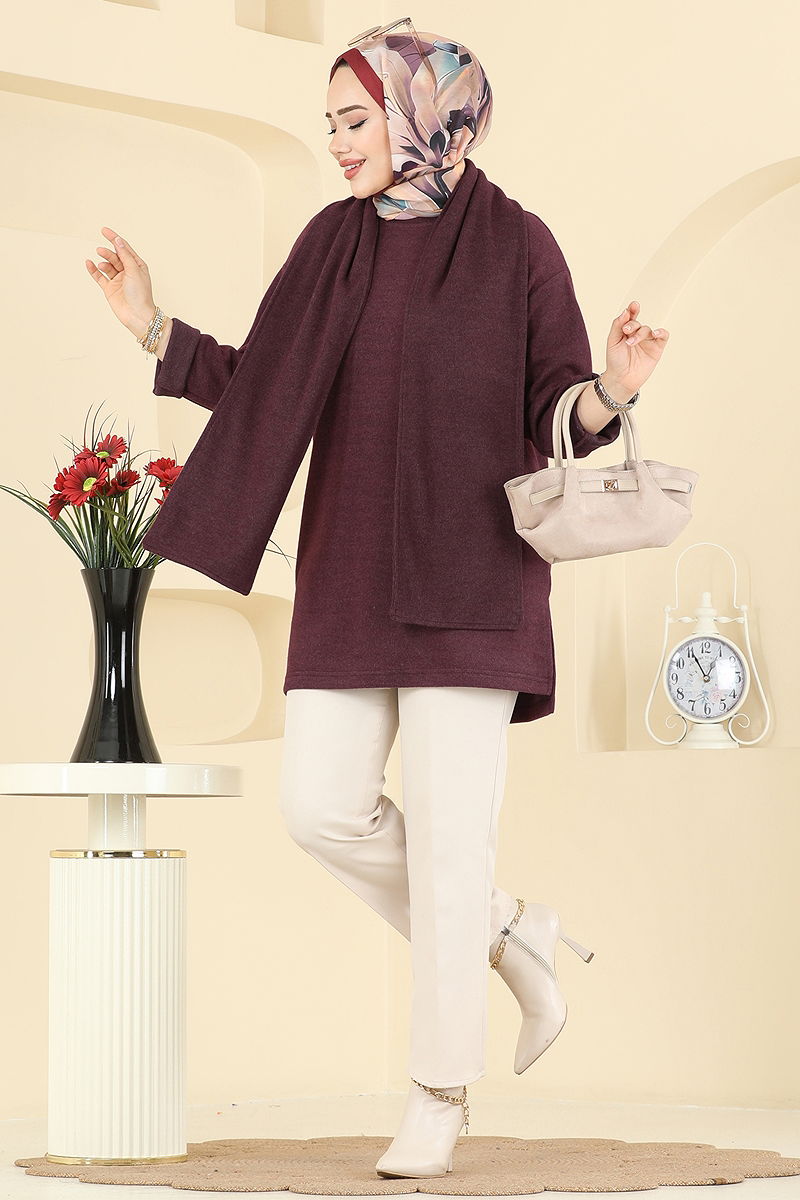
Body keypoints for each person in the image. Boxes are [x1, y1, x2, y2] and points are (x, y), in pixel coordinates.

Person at [85, 18, 670, 1181]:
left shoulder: (518, 245)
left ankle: (438, 1092)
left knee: (451, 842)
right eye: (330, 124)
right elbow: (263, 384)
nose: (338, 142)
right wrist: (149, 324)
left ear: (424, 114)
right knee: (318, 807)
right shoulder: (330, 242)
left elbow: (555, 408)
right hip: (349, 575)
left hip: (474, 585)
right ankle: (509, 931)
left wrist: (610, 389)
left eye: (354, 120)